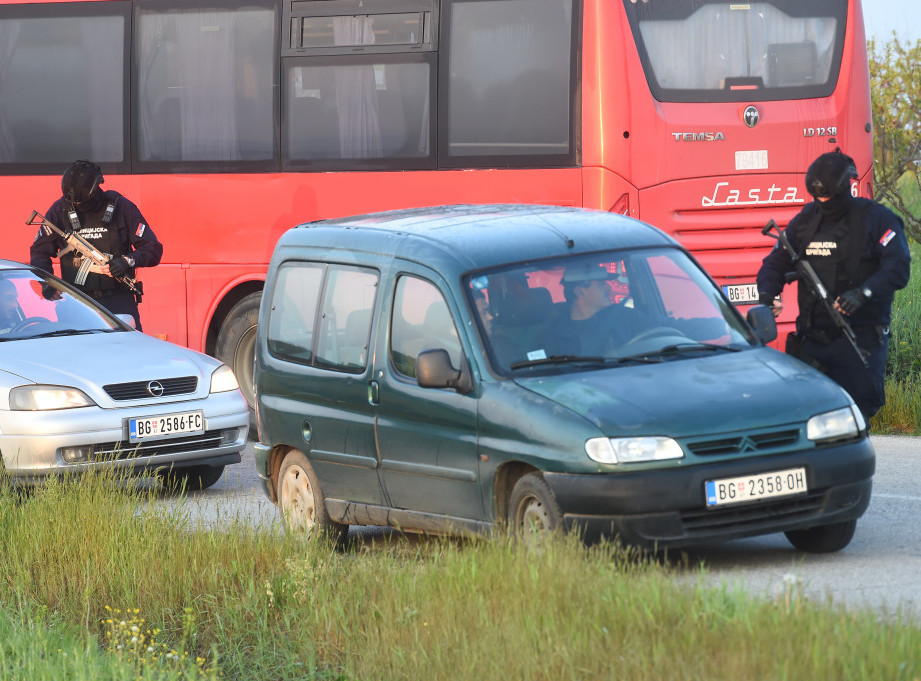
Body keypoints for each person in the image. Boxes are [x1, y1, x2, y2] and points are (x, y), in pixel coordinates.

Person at [756, 150, 911, 421]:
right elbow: (775, 262)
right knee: (808, 418)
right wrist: (769, 293)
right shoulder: (807, 220)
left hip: (859, 339)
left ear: (844, 188)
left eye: (829, 197)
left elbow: (898, 267)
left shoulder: (876, 219)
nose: (823, 203)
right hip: (812, 341)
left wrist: (863, 293)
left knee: (855, 417)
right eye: (818, 197)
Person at [30, 160, 163, 330]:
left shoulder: (121, 207)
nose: (78, 205)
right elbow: (39, 252)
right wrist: (47, 282)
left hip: (117, 301)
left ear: (96, 188)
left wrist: (127, 261)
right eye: (75, 203)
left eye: (83, 202)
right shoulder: (60, 210)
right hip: (76, 302)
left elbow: (152, 248)